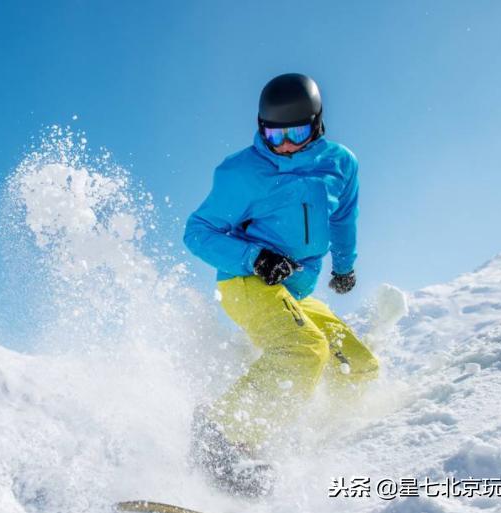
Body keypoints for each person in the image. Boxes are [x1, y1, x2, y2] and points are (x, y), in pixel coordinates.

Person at [183, 73, 379, 497]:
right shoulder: (241, 173)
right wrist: (254, 257)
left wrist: (344, 268)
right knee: (303, 349)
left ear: (318, 124)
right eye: (274, 133)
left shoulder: (341, 164)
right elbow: (196, 232)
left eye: (298, 131)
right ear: (260, 127)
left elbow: (344, 218)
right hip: (246, 280)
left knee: (358, 366)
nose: (286, 144)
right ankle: (218, 436)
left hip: (296, 289)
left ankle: (313, 440)